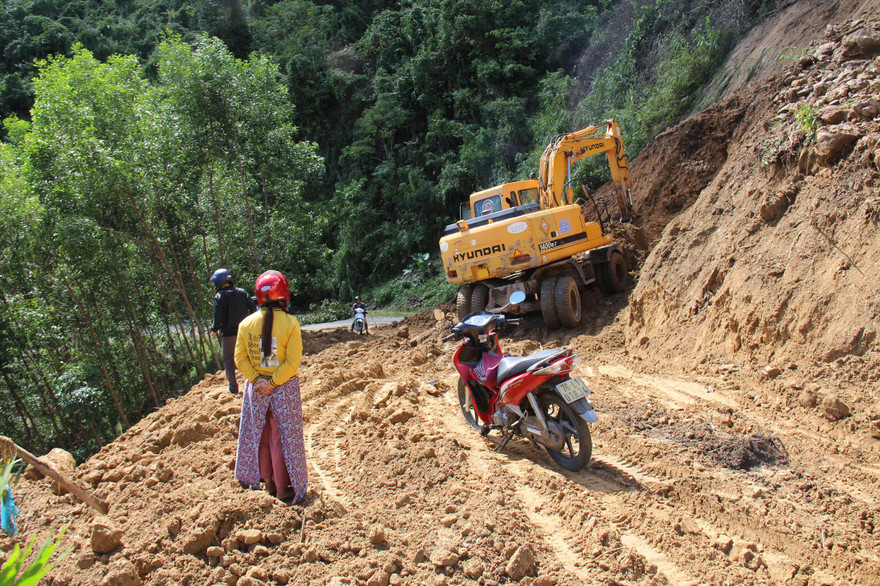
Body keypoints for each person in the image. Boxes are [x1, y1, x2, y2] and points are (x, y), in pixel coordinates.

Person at [234, 270, 307, 504]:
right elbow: (292, 363)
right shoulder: (290, 323)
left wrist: (258, 381)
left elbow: (239, 358)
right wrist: (273, 382)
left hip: (256, 390)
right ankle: (284, 489)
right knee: (282, 437)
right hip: (283, 390)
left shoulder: (245, 324)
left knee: (260, 435)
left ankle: (266, 482)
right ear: (283, 294)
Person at [210, 268, 256, 394]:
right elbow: (253, 308)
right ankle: (253, 383)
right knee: (250, 358)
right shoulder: (242, 292)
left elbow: (218, 316)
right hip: (245, 332)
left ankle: (233, 388)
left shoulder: (219, 296)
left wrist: (214, 329)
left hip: (229, 334)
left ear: (219, 281)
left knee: (229, 360)